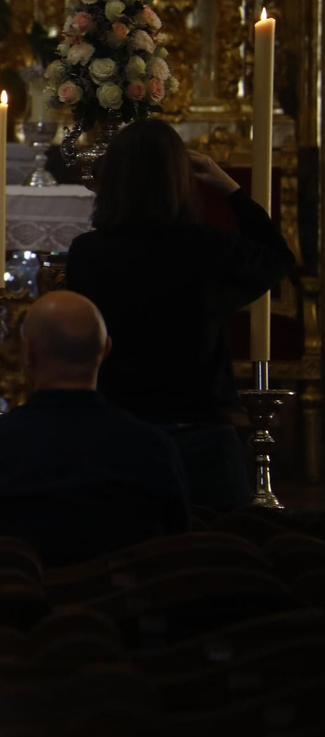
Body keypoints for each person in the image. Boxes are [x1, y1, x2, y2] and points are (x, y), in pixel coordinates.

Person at [65, 119, 296, 511]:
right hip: (200, 435)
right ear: (180, 180)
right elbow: (278, 258)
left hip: (120, 432)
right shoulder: (204, 248)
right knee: (215, 558)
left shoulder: (88, 253)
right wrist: (231, 189)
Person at [0, 291, 192, 567]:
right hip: (125, 607)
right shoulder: (155, 448)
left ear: (27, 353)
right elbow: (176, 554)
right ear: (106, 350)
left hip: (21, 606)